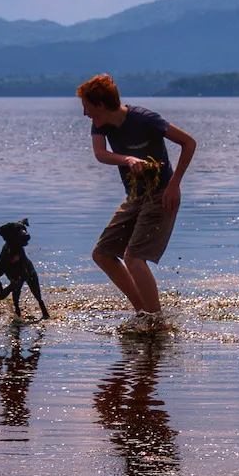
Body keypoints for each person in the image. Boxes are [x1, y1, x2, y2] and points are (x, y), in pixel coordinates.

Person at [77, 74, 196, 331]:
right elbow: (101, 154)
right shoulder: (101, 124)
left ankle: (157, 322)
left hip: (162, 192)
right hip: (135, 195)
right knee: (103, 254)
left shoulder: (144, 119)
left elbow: (189, 143)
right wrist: (128, 159)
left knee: (133, 258)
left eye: (87, 106)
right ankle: (144, 313)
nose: (85, 113)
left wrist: (174, 185)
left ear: (99, 105)